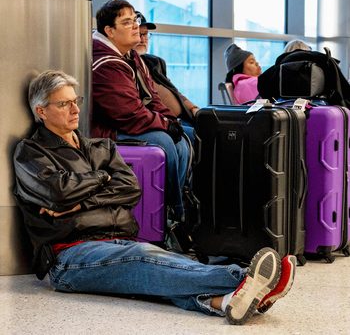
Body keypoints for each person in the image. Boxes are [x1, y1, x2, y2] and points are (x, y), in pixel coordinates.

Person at [13, 70, 297, 326]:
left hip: (119, 241)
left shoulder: (101, 148)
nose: (75, 109)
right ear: (41, 111)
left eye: (76, 100)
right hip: (70, 257)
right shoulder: (31, 152)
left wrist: (84, 200)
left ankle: (227, 302)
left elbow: (130, 188)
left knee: (156, 275)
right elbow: (58, 192)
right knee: (143, 258)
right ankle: (244, 278)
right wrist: (103, 178)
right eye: (64, 103)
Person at [91, 0, 189, 221]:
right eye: (127, 22)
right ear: (109, 31)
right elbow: (128, 115)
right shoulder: (105, 63)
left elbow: (152, 97)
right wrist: (165, 124)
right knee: (164, 142)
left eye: (134, 19)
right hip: (107, 131)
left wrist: (170, 120)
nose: (136, 25)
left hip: (131, 121)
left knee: (185, 138)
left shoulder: (131, 56)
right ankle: (172, 212)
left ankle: (176, 205)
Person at [133, 11, 199, 142]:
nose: (142, 39)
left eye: (145, 34)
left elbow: (174, 91)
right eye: (138, 34)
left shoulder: (155, 62)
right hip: (161, 123)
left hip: (181, 118)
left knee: (214, 128)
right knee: (198, 136)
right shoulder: (125, 66)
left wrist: (193, 108)